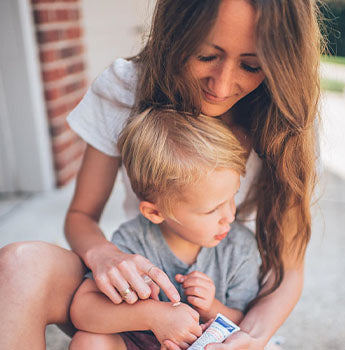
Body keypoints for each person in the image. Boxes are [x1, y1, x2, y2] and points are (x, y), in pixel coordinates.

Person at [0, 0, 323, 349]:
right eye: (205, 56)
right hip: (133, 311)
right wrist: (105, 257)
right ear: (178, 35)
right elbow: (81, 215)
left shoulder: (286, 121)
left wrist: (249, 337)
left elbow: (288, 269)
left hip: (212, 331)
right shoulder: (125, 90)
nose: (222, 84)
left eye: (251, 65)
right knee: (20, 266)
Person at [69, 109, 260, 349]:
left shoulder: (240, 248)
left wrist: (211, 307)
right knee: (88, 341)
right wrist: (153, 315)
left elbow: (248, 322)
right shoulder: (134, 241)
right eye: (211, 210)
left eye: (232, 198)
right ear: (155, 213)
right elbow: (82, 308)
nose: (229, 216)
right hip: (141, 342)